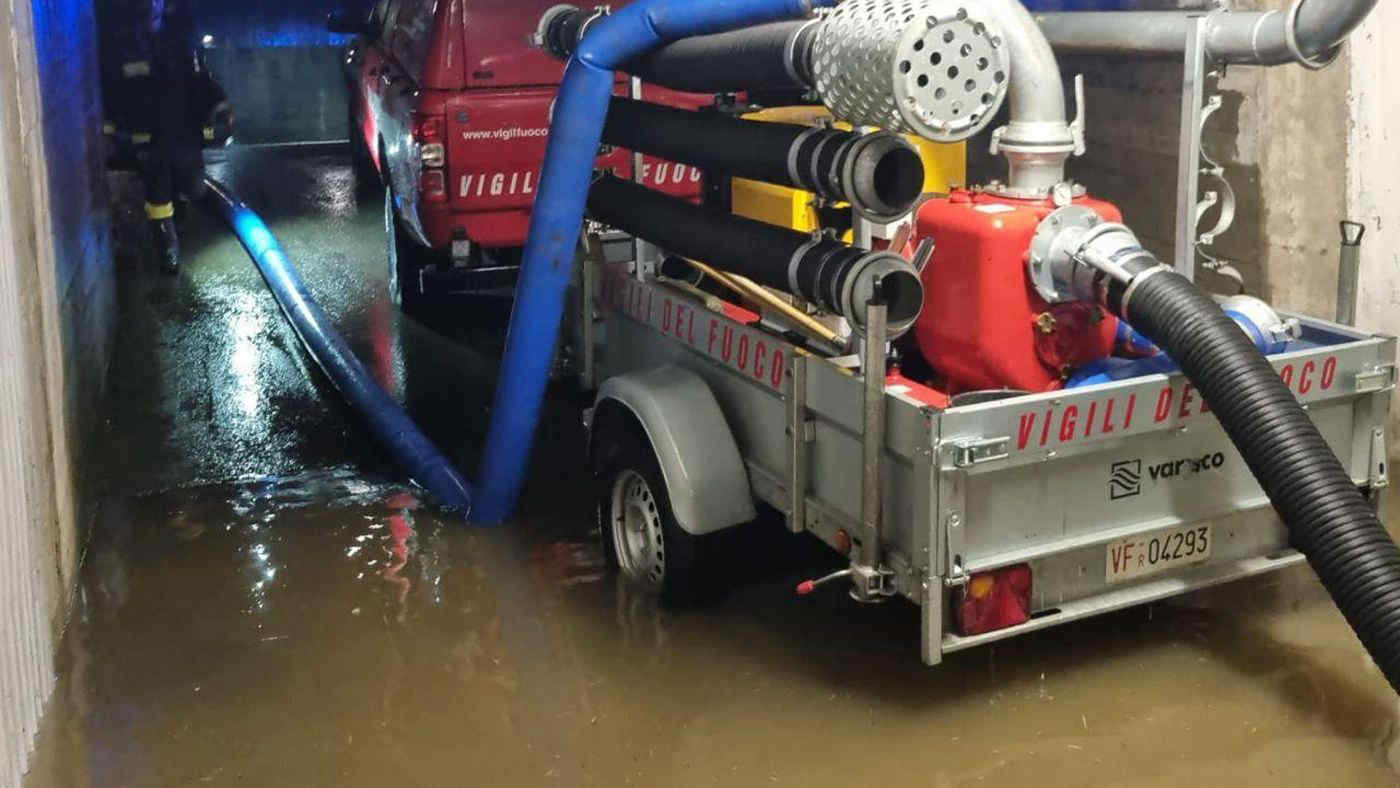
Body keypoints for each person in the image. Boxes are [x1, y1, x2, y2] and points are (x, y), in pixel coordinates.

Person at [99, 0, 230, 274]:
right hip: (148, 137)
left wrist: (219, 106)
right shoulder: (123, 41)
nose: (152, 6)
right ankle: (167, 254)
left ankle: (180, 215)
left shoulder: (180, 35)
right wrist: (117, 131)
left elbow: (199, 79)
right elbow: (113, 90)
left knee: (193, 186)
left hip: (182, 133)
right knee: (157, 195)